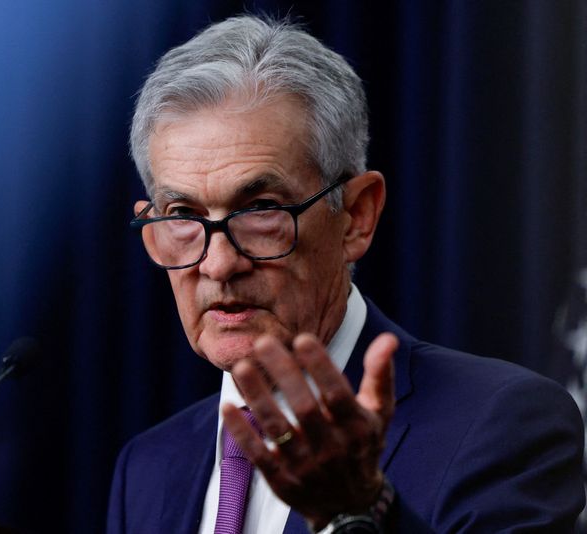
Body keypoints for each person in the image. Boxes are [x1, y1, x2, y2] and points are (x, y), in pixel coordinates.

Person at [108, 15, 584, 533]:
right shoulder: (147, 468)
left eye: (263, 208)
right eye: (182, 216)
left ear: (357, 217)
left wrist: (359, 510)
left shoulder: (502, 424)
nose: (219, 264)